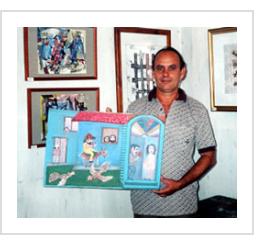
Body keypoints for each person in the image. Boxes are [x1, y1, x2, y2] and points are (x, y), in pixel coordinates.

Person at [127, 46, 217, 218]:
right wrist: (108, 124)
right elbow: (126, 152)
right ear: (153, 73)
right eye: (160, 68)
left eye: (172, 68)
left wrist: (180, 184)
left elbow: (209, 157)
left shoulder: (197, 110)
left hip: (184, 205)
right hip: (143, 204)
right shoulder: (135, 108)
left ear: (182, 72)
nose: (165, 74)